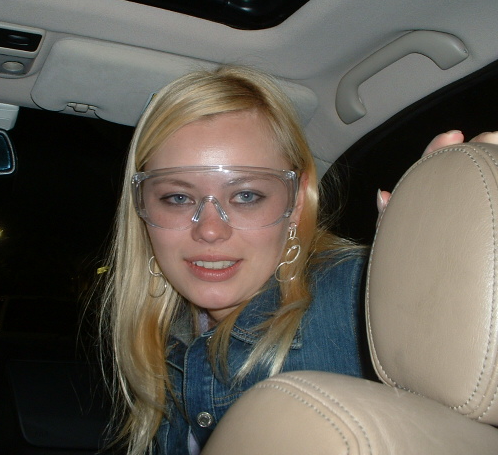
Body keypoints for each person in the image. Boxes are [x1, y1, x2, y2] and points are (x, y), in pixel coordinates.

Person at [97, 64, 495, 455]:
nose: (211, 231)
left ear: (297, 201)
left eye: (246, 195)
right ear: (142, 209)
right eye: (178, 198)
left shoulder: (357, 298)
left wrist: (435, 275)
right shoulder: (167, 343)